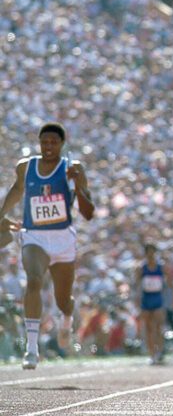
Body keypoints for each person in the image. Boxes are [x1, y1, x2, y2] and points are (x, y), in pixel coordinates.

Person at [0, 123, 94, 370]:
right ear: (39, 142)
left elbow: (88, 212)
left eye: (53, 142)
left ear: (62, 144)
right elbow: (17, 190)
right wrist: (1, 215)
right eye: (44, 142)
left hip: (63, 239)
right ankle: (32, 349)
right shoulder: (25, 167)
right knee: (33, 280)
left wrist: (77, 185)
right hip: (35, 236)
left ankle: (66, 320)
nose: (48, 147)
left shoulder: (72, 169)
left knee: (63, 300)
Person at [136, 243, 172, 365]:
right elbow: (137, 285)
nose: (151, 255)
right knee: (148, 328)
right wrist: (137, 299)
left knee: (159, 326)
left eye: (153, 252)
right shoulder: (141, 268)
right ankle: (152, 354)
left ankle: (160, 351)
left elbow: (169, 283)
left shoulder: (161, 267)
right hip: (146, 298)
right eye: (149, 253)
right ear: (146, 254)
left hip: (157, 298)